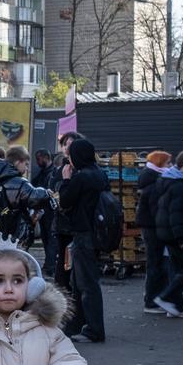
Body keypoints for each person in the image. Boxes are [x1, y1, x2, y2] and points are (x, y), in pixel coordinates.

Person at [56, 137, 108, 342]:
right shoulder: (99, 174)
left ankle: (94, 329)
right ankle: (75, 326)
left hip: (83, 233)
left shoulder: (81, 177)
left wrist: (66, 179)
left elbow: (66, 201)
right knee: (78, 282)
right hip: (95, 233)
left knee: (86, 284)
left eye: (70, 155)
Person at [152, 150, 183, 319]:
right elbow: (176, 214)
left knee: (177, 268)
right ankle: (165, 298)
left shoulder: (168, 181)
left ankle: (176, 308)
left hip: (166, 232)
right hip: (175, 234)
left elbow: (172, 210)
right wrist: (182, 237)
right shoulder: (178, 185)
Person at [0, 146, 52, 247]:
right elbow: (34, 197)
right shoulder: (18, 181)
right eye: (26, 164)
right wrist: (47, 193)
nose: (27, 168)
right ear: (18, 162)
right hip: (11, 233)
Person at [137, 150, 174, 314]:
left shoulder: (150, 179)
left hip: (150, 228)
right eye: (168, 163)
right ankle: (152, 301)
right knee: (156, 264)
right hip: (154, 229)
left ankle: (153, 298)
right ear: (160, 165)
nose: (171, 166)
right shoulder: (155, 183)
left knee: (156, 263)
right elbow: (156, 211)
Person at [48, 132, 86, 287]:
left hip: (80, 226)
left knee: (78, 269)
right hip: (62, 226)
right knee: (63, 266)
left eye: (70, 144)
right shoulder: (60, 170)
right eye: (64, 144)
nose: (67, 147)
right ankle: (62, 300)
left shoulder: (82, 169)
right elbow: (55, 195)